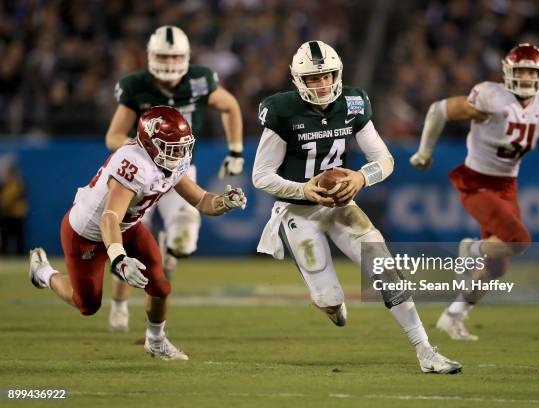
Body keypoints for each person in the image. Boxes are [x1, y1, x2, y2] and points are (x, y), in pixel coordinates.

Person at [253, 40, 462, 374]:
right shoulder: (282, 110)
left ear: (338, 73)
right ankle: (330, 305)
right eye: (313, 79)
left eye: (327, 76)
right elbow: (261, 177)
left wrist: (363, 178)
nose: (322, 84)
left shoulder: (353, 102)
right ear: (298, 80)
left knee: (387, 273)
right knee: (329, 298)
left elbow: (384, 159)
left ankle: (426, 350)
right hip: (297, 212)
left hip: (341, 206)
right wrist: (305, 190)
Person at [28, 106, 247, 360]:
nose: (179, 153)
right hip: (86, 232)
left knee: (160, 286)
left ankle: (156, 341)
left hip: (128, 227)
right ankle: (43, 273)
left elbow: (201, 201)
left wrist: (224, 202)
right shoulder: (133, 163)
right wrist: (119, 260)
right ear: (150, 142)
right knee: (87, 304)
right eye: (172, 146)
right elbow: (109, 217)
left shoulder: (171, 162)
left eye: (182, 146)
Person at [409, 43, 539, 341]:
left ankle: (453, 315)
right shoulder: (492, 96)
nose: (525, 77)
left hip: (507, 185)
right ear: (507, 71)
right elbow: (439, 109)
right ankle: (470, 250)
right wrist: (424, 151)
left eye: (530, 72)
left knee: (497, 267)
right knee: (519, 241)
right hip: (477, 180)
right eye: (519, 70)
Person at [105, 25, 244, 332]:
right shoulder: (136, 85)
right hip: (141, 176)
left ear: (186, 57)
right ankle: (117, 305)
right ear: (151, 56)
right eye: (163, 57)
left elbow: (230, 106)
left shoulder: (199, 80)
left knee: (183, 240)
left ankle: (169, 256)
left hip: (179, 172)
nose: (168, 64)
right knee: (129, 242)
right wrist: (142, 150)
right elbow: (113, 135)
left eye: (174, 57)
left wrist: (235, 150)